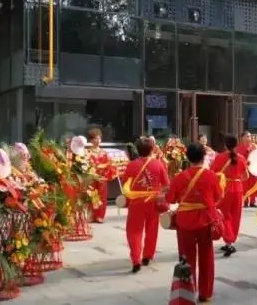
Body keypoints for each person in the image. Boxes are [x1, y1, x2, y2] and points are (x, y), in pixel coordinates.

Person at [166, 143, 222, 303]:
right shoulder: (211, 176)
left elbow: (170, 199)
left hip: (185, 221)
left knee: (186, 257)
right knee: (207, 256)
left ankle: (187, 292)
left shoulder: (179, 177)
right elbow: (218, 197)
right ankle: (206, 293)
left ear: (187, 157)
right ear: (204, 156)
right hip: (205, 219)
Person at [122, 137, 170, 273]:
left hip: (136, 202)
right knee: (152, 229)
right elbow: (167, 184)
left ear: (138, 149)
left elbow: (126, 184)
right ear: (152, 149)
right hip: (153, 201)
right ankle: (147, 256)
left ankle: (135, 259)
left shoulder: (131, 165)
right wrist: (158, 192)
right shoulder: (158, 164)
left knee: (133, 231)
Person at [211, 135, 248, 257]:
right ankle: (230, 241)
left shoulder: (219, 157)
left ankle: (229, 241)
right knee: (235, 215)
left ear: (225, 145)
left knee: (225, 215)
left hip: (225, 189)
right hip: (238, 188)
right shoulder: (241, 158)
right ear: (236, 145)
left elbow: (213, 174)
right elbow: (246, 176)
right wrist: (236, 178)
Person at [88, 128, 112, 223]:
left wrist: (103, 171)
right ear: (91, 140)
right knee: (93, 195)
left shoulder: (104, 153)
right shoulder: (88, 152)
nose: (98, 140)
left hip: (102, 177)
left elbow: (109, 165)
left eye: (99, 138)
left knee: (102, 196)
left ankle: (100, 216)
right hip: (92, 177)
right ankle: (93, 215)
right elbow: (86, 165)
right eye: (95, 138)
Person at [237, 131, 257, 208]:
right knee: (244, 185)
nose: (249, 138)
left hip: (253, 168)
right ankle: (245, 201)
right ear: (242, 138)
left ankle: (252, 201)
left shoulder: (253, 146)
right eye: (247, 136)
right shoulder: (239, 148)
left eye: (250, 136)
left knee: (253, 185)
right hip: (244, 169)